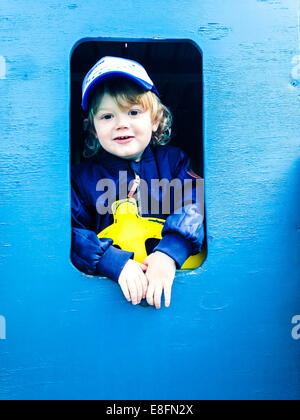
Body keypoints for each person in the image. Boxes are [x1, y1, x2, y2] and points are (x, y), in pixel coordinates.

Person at [71, 56, 204, 309]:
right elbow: (72, 233)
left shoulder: (174, 162)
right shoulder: (81, 179)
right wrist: (112, 261)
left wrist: (169, 254)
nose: (121, 124)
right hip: (108, 301)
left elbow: (192, 204)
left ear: (155, 120)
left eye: (133, 112)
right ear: (93, 129)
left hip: (171, 290)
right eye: (107, 116)